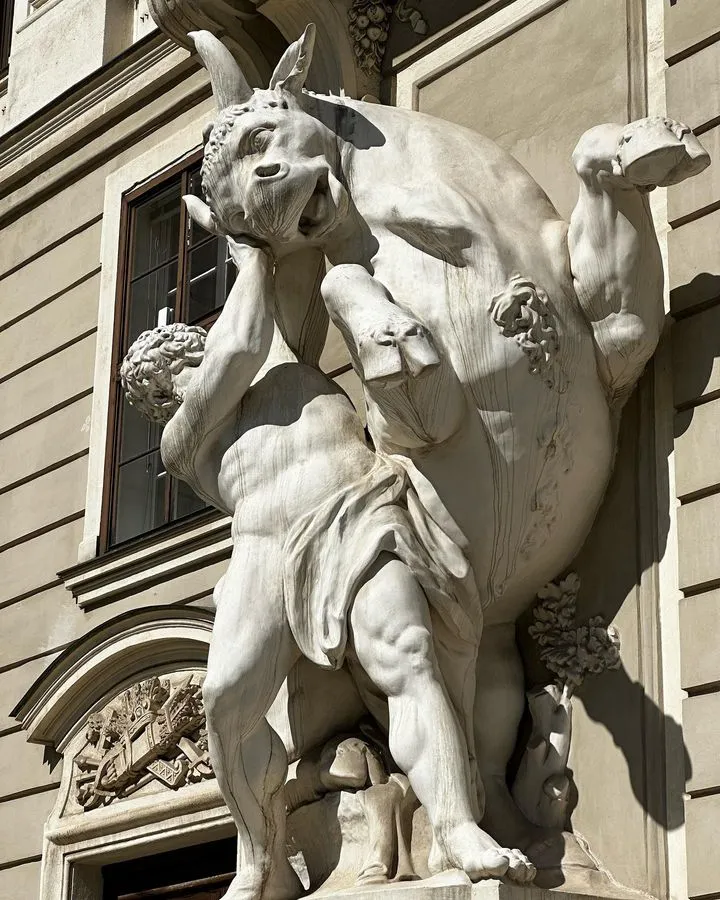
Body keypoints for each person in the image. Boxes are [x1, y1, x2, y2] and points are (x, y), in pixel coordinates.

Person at [120, 237, 536, 900]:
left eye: (185, 358)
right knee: (226, 704)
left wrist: (261, 230)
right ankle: (260, 859)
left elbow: (293, 282)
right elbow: (237, 347)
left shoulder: (282, 354)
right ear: (163, 398)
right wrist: (250, 253)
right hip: (264, 548)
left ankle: (457, 827)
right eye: (169, 378)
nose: (184, 373)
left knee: (409, 654)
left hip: (356, 507)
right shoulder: (185, 436)